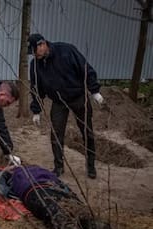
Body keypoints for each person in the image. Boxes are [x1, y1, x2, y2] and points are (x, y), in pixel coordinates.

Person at [0, 165, 150, 229]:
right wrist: (5, 172)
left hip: (56, 189)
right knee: (58, 215)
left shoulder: (37, 168)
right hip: (35, 192)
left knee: (83, 214)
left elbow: (58, 179)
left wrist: (71, 194)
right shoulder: (9, 175)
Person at [28, 33, 105, 179]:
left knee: (87, 131)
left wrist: (94, 91)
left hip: (78, 97)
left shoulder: (66, 51)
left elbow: (86, 69)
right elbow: (36, 88)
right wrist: (36, 110)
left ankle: (90, 166)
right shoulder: (36, 64)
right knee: (56, 134)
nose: (33, 55)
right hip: (58, 102)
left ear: (42, 44)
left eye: (34, 50)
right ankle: (59, 167)